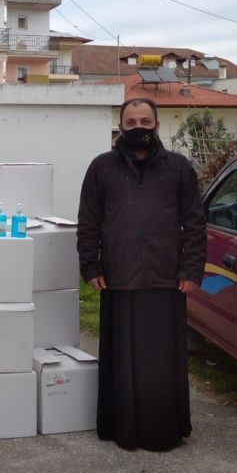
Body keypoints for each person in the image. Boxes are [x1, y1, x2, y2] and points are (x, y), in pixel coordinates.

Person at [76, 97, 206, 452]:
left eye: (145, 122)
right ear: (120, 127)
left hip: (166, 279)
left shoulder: (178, 168)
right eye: (131, 122)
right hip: (119, 278)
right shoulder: (101, 168)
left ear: (157, 125)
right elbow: (88, 221)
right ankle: (121, 428)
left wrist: (192, 269)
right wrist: (90, 266)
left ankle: (164, 430)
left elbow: (195, 223)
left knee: (162, 363)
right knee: (122, 360)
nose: (138, 128)